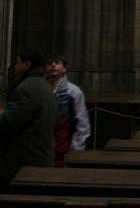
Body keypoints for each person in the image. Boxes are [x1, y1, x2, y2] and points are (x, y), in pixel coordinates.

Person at [0, 50, 56, 186]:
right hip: (39, 155)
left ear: (27, 64)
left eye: (17, 62)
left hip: (25, 159)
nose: (15, 66)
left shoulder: (27, 87)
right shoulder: (44, 85)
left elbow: (10, 121)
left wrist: (3, 114)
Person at [46, 56, 91, 165]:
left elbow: (82, 122)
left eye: (57, 62)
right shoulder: (42, 89)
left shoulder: (74, 91)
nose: (53, 65)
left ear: (64, 69)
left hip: (64, 145)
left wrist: (76, 149)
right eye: (50, 63)